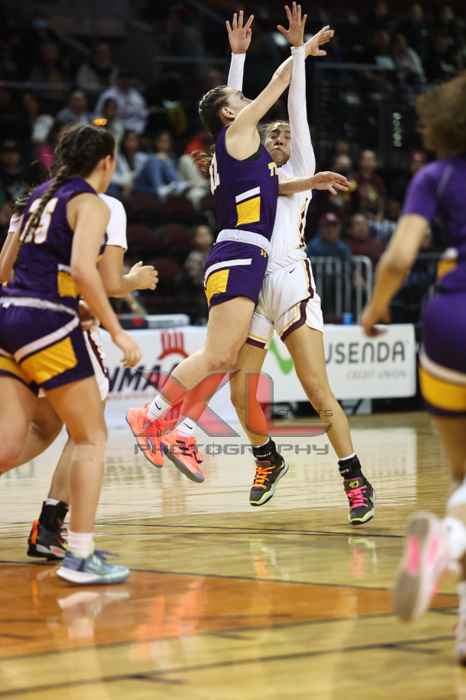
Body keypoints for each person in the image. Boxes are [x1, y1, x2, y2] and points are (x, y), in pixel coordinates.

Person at [127, 5, 349, 483]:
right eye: (241, 100)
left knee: (226, 359)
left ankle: (181, 429)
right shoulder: (238, 135)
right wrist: (302, 49)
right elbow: (275, 87)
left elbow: (274, 181)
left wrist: (310, 180)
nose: (250, 102)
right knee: (216, 357)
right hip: (239, 254)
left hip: (246, 257)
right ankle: (151, 415)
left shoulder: (242, 153)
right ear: (232, 114)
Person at [222, 12, 374, 521]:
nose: (281, 137)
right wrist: (238, 58)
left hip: (290, 280)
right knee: (239, 391)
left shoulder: (302, 168)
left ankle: (354, 479)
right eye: (273, 134)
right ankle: (267, 458)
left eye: (286, 135)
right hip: (250, 283)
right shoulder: (251, 170)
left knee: (316, 390)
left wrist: (297, 54)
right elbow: (233, 115)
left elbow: (296, 105)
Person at [0, 123, 141, 584]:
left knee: (7, 444)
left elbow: (5, 269)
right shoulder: (92, 204)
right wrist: (117, 331)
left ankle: (64, 540)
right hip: (44, 324)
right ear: (107, 162)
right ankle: (79, 554)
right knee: (90, 437)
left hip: (7, 317)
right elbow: (84, 269)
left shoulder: (35, 198)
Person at [360, 71, 466, 662]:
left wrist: (375, 309)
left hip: (447, 326)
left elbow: (399, 257)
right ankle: (448, 539)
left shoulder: (435, 176)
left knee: (463, 478)